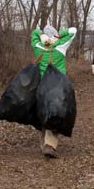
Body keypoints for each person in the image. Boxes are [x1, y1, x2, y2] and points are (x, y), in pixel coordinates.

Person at [31, 24, 77, 158]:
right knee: (56, 115)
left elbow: (34, 32)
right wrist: (58, 35)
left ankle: (44, 144)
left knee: (44, 113)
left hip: (41, 87)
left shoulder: (38, 47)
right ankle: (49, 145)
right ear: (55, 35)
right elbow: (73, 30)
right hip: (58, 88)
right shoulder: (60, 46)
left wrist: (41, 35)